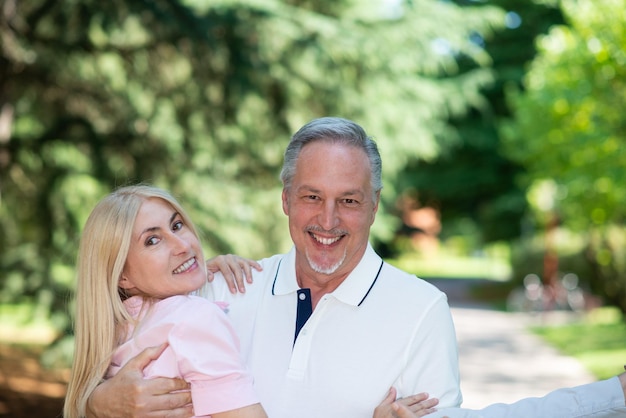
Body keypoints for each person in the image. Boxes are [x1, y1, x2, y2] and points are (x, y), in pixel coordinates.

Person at [87, 117, 626, 417]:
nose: (327, 220)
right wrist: (96, 406)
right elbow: (102, 355)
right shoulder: (222, 290)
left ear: (374, 205)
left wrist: (608, 397)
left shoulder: (421, 310)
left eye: (349, 200)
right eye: (311, 196)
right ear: (285, 201)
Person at [63, 185, 267, 418]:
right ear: (122, 276)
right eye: (152, 241)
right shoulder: (195, 318)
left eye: (177, 226)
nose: (183, 246)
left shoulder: (118, 333)